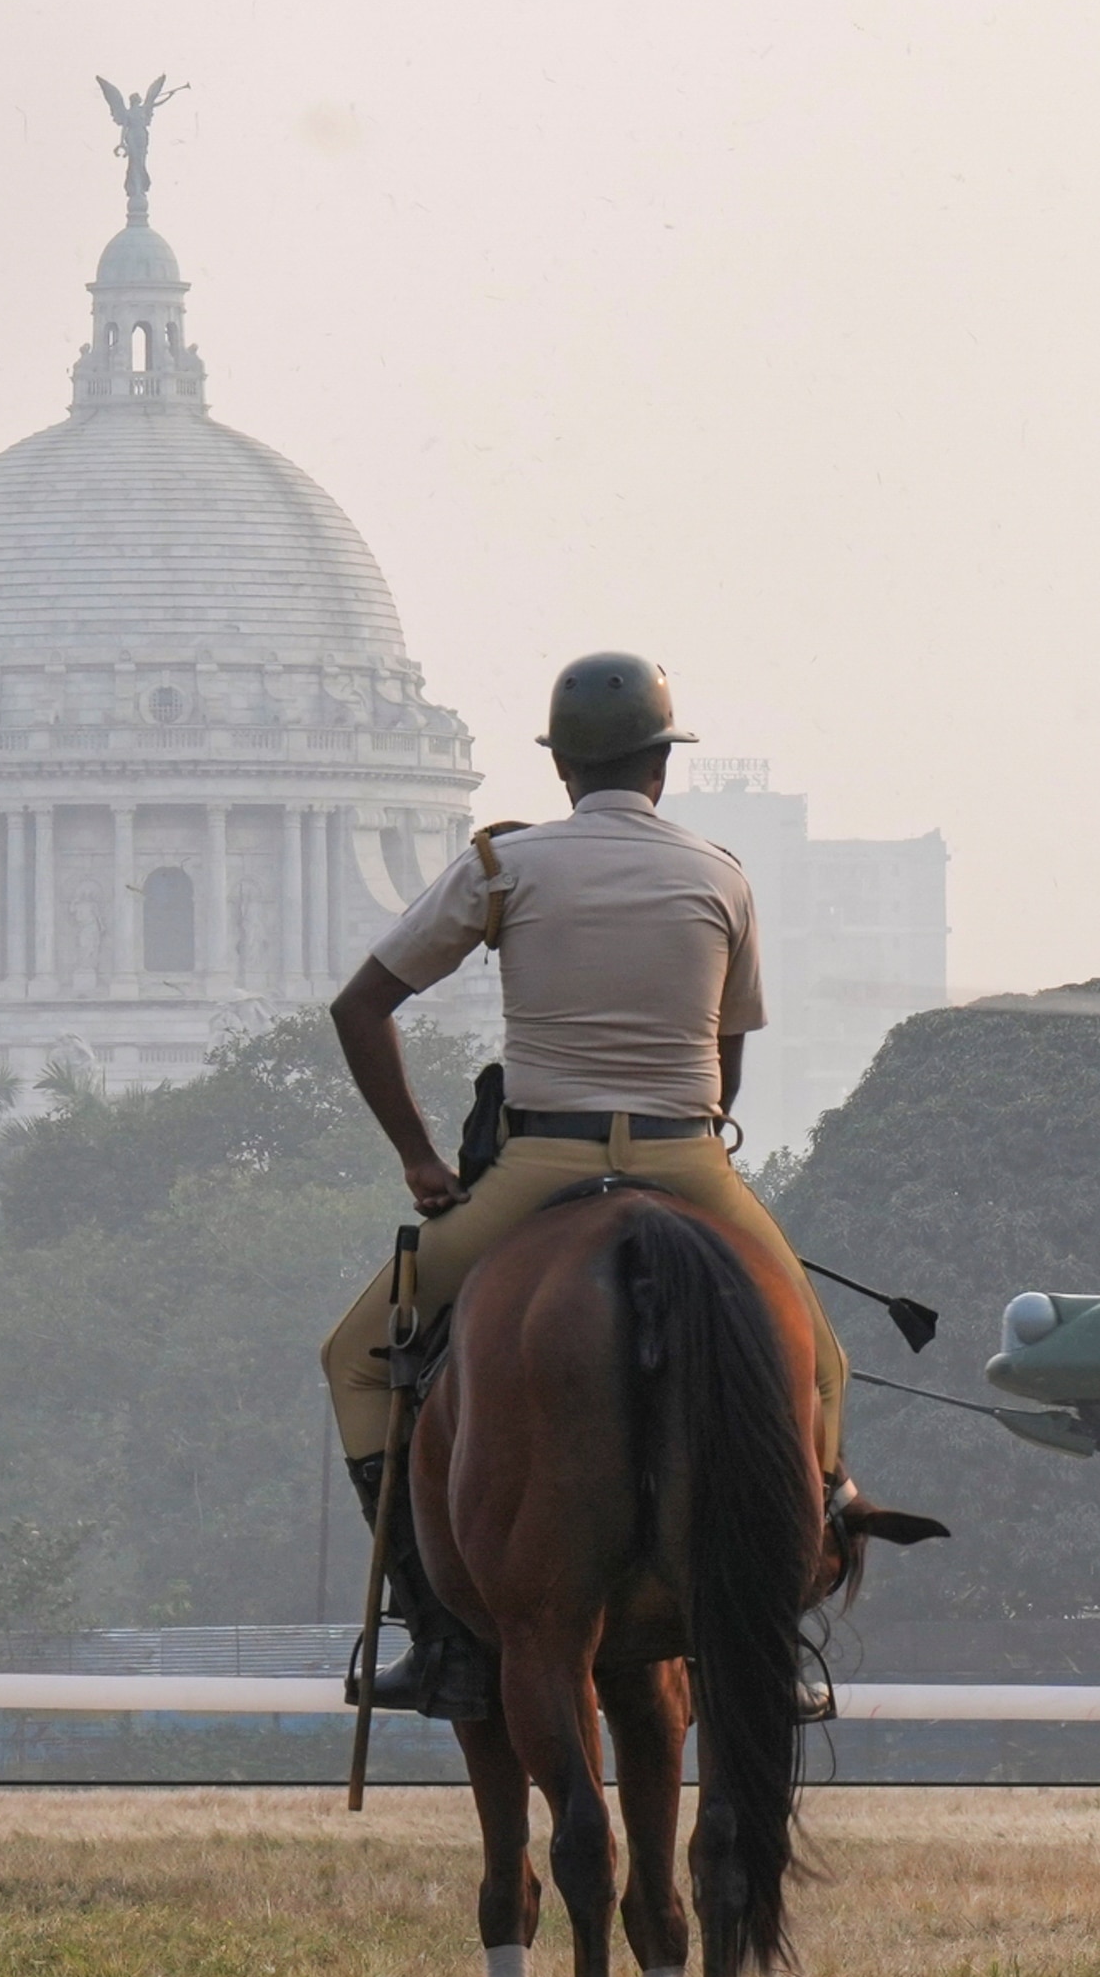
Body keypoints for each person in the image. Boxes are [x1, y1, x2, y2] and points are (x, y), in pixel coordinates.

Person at [317, 652, 855, 1716]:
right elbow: (726, 1051)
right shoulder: (720, 875)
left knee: (358, 1360)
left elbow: (359, 1008)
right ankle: (778, 1630)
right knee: (821, 1368)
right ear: (662, 765)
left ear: (561, 766)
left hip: (539, 1166)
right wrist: (695, 1134)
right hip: (688, 1159)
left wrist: (421, 1157)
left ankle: (436, 1631)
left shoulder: (503, 866)